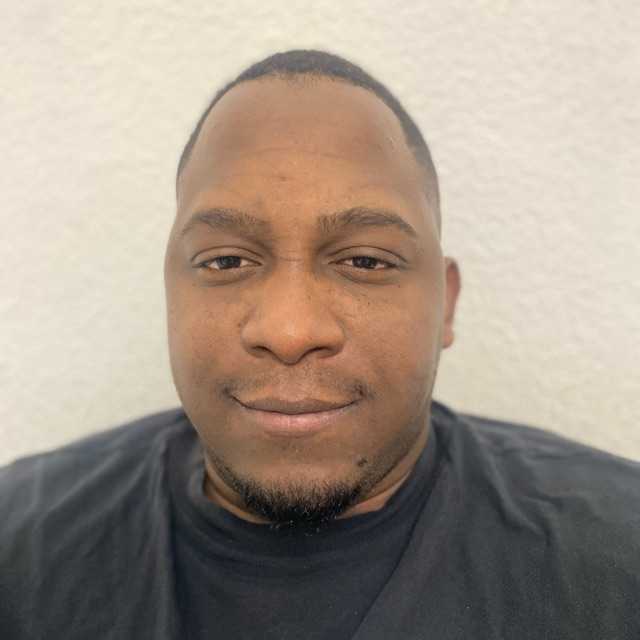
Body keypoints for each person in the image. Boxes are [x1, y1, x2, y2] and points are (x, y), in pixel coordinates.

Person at [1, 49, 638, 640]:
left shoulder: (616, 557)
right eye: (226, 261)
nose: (290, 332)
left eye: (365, 260)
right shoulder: (19, 549)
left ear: (446, 304)